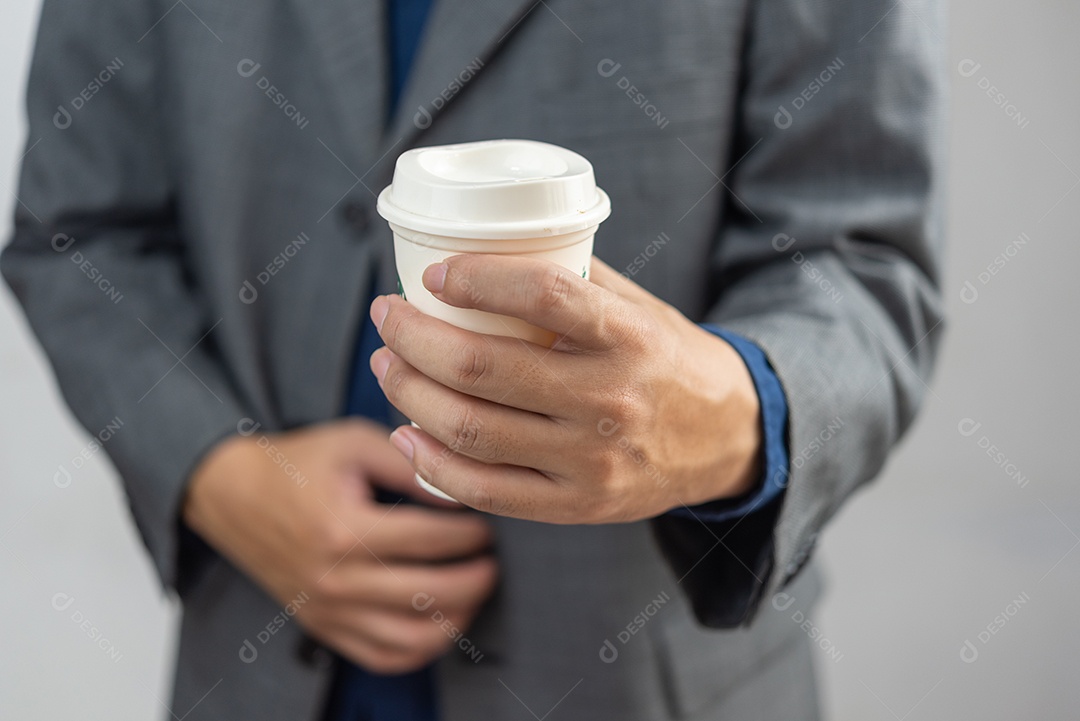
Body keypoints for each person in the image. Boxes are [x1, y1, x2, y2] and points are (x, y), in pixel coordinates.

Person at [2, 0, 944, 719]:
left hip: (638, 680)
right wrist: (220, 473)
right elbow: (75, 228)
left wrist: (726, 413)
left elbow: (862, 260)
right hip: (261, 668)